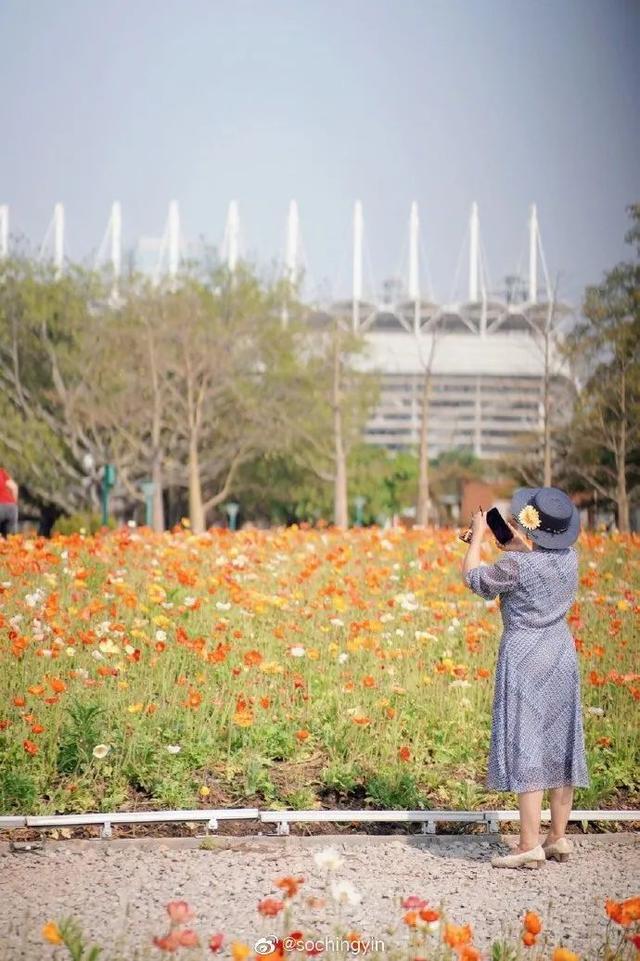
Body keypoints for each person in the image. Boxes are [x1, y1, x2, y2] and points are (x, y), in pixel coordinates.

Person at [462, 486, 589, 869]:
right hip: (561, 653)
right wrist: (520, 546)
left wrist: (479, 536)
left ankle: (528, 844)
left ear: (529, 527)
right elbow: (537, 565)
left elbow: (473, 579)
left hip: (525, 656)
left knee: (527, 742)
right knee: (561, 742)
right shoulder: (570, 559)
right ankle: (557, 838)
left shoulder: (515, 567)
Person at [0, 467, 19, 536]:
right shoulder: (1, 471)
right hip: (11, 507)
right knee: (12, 539)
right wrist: (15, 504)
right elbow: (14, 487)